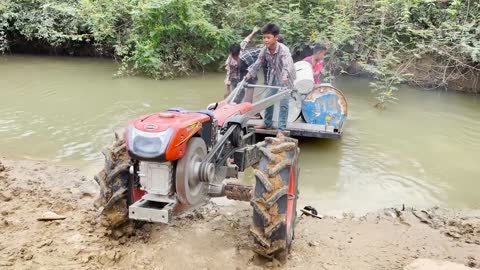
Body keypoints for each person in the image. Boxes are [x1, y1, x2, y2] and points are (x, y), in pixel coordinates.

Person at [245, 23, 296, 133]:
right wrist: (248, 74)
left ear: (276, 38)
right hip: (274, 75)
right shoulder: (265, 50)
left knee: (283, 102)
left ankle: (281, 129)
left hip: (286, 77)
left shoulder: (284, 50)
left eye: (268, 37)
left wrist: (285, 75)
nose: (265, 40)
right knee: (268, 99)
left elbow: (287, 65)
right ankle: (267, 123)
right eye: (264, 37)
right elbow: (257, 63)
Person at [237, 34, 285, 103]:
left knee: (243, 83)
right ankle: (247, 105)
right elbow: (266, 68)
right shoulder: (269, 51)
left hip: (242, 58)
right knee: (251, 83)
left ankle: (237, 102)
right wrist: (267, 83)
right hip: (247, 60)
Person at [224, 26, 259, 98]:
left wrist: (253, 32)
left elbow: (246, 39)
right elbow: (228, 72)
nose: (236, 58)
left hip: (243, 74)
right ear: (231, 53)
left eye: (237, 55)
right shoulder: (230, 61)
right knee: (235, 94)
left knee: (241, 93)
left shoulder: (241, 50)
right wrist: (227, 84)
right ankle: (227, 103)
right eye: (234, 56)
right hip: (234, 78)